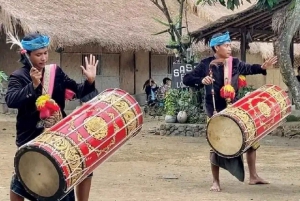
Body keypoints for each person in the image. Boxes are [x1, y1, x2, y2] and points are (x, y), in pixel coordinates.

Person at [5, 33, 98, 201]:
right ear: (26, 55)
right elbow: (11, 100)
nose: (43, 58)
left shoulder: (55, 72)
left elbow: (77, 90)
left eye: (45, 53)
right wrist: (32, 85)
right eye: (38, 54)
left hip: (59, 133)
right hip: (31, 135)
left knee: (81, 164)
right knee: (25, 177)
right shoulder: (18, 76)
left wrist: (90, 81)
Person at [183, 31, 277, 192]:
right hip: (214, 110)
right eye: (226, 45)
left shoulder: (235, 63)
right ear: (216, 47)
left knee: (251, 142)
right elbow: (186, 79)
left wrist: (261, 67)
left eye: (230, 45)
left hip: (235, 109)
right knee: (216, 145)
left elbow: (248, 68)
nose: (229, 48)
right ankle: (215, 182)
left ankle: (253, 176)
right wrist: (201, 80)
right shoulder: (205, 64)